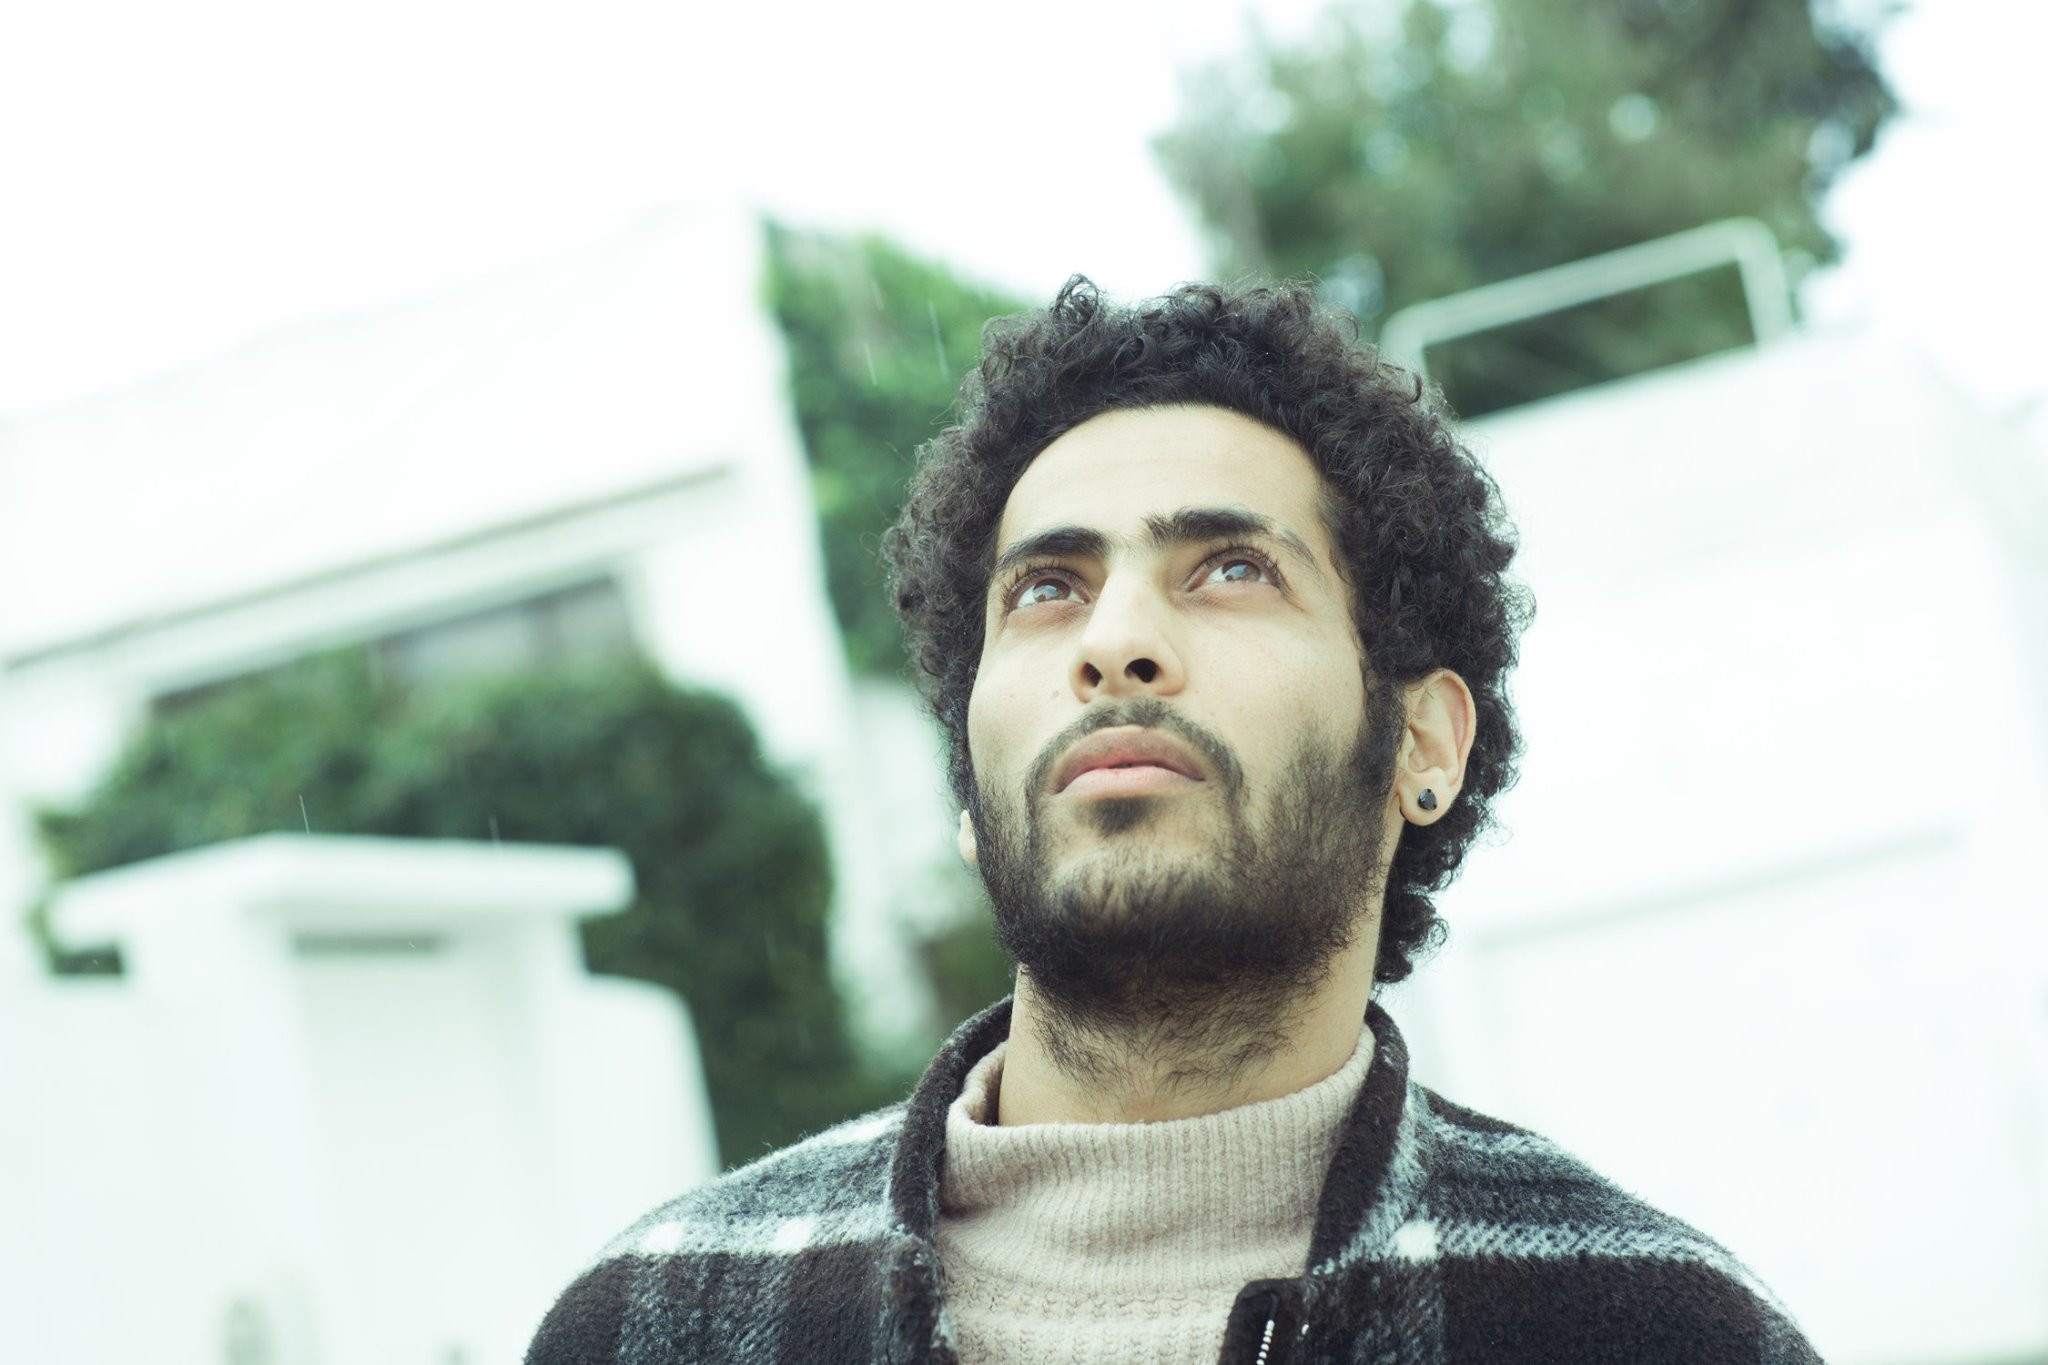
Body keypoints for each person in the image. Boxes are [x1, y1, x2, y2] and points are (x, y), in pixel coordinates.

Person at [525, 279, 1818, 1364]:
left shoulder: (1666, 1333)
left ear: (1422, 743)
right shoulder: (652, 1327)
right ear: (970, 792)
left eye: (1231, 569)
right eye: (1047, 588)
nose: (1115, 641)